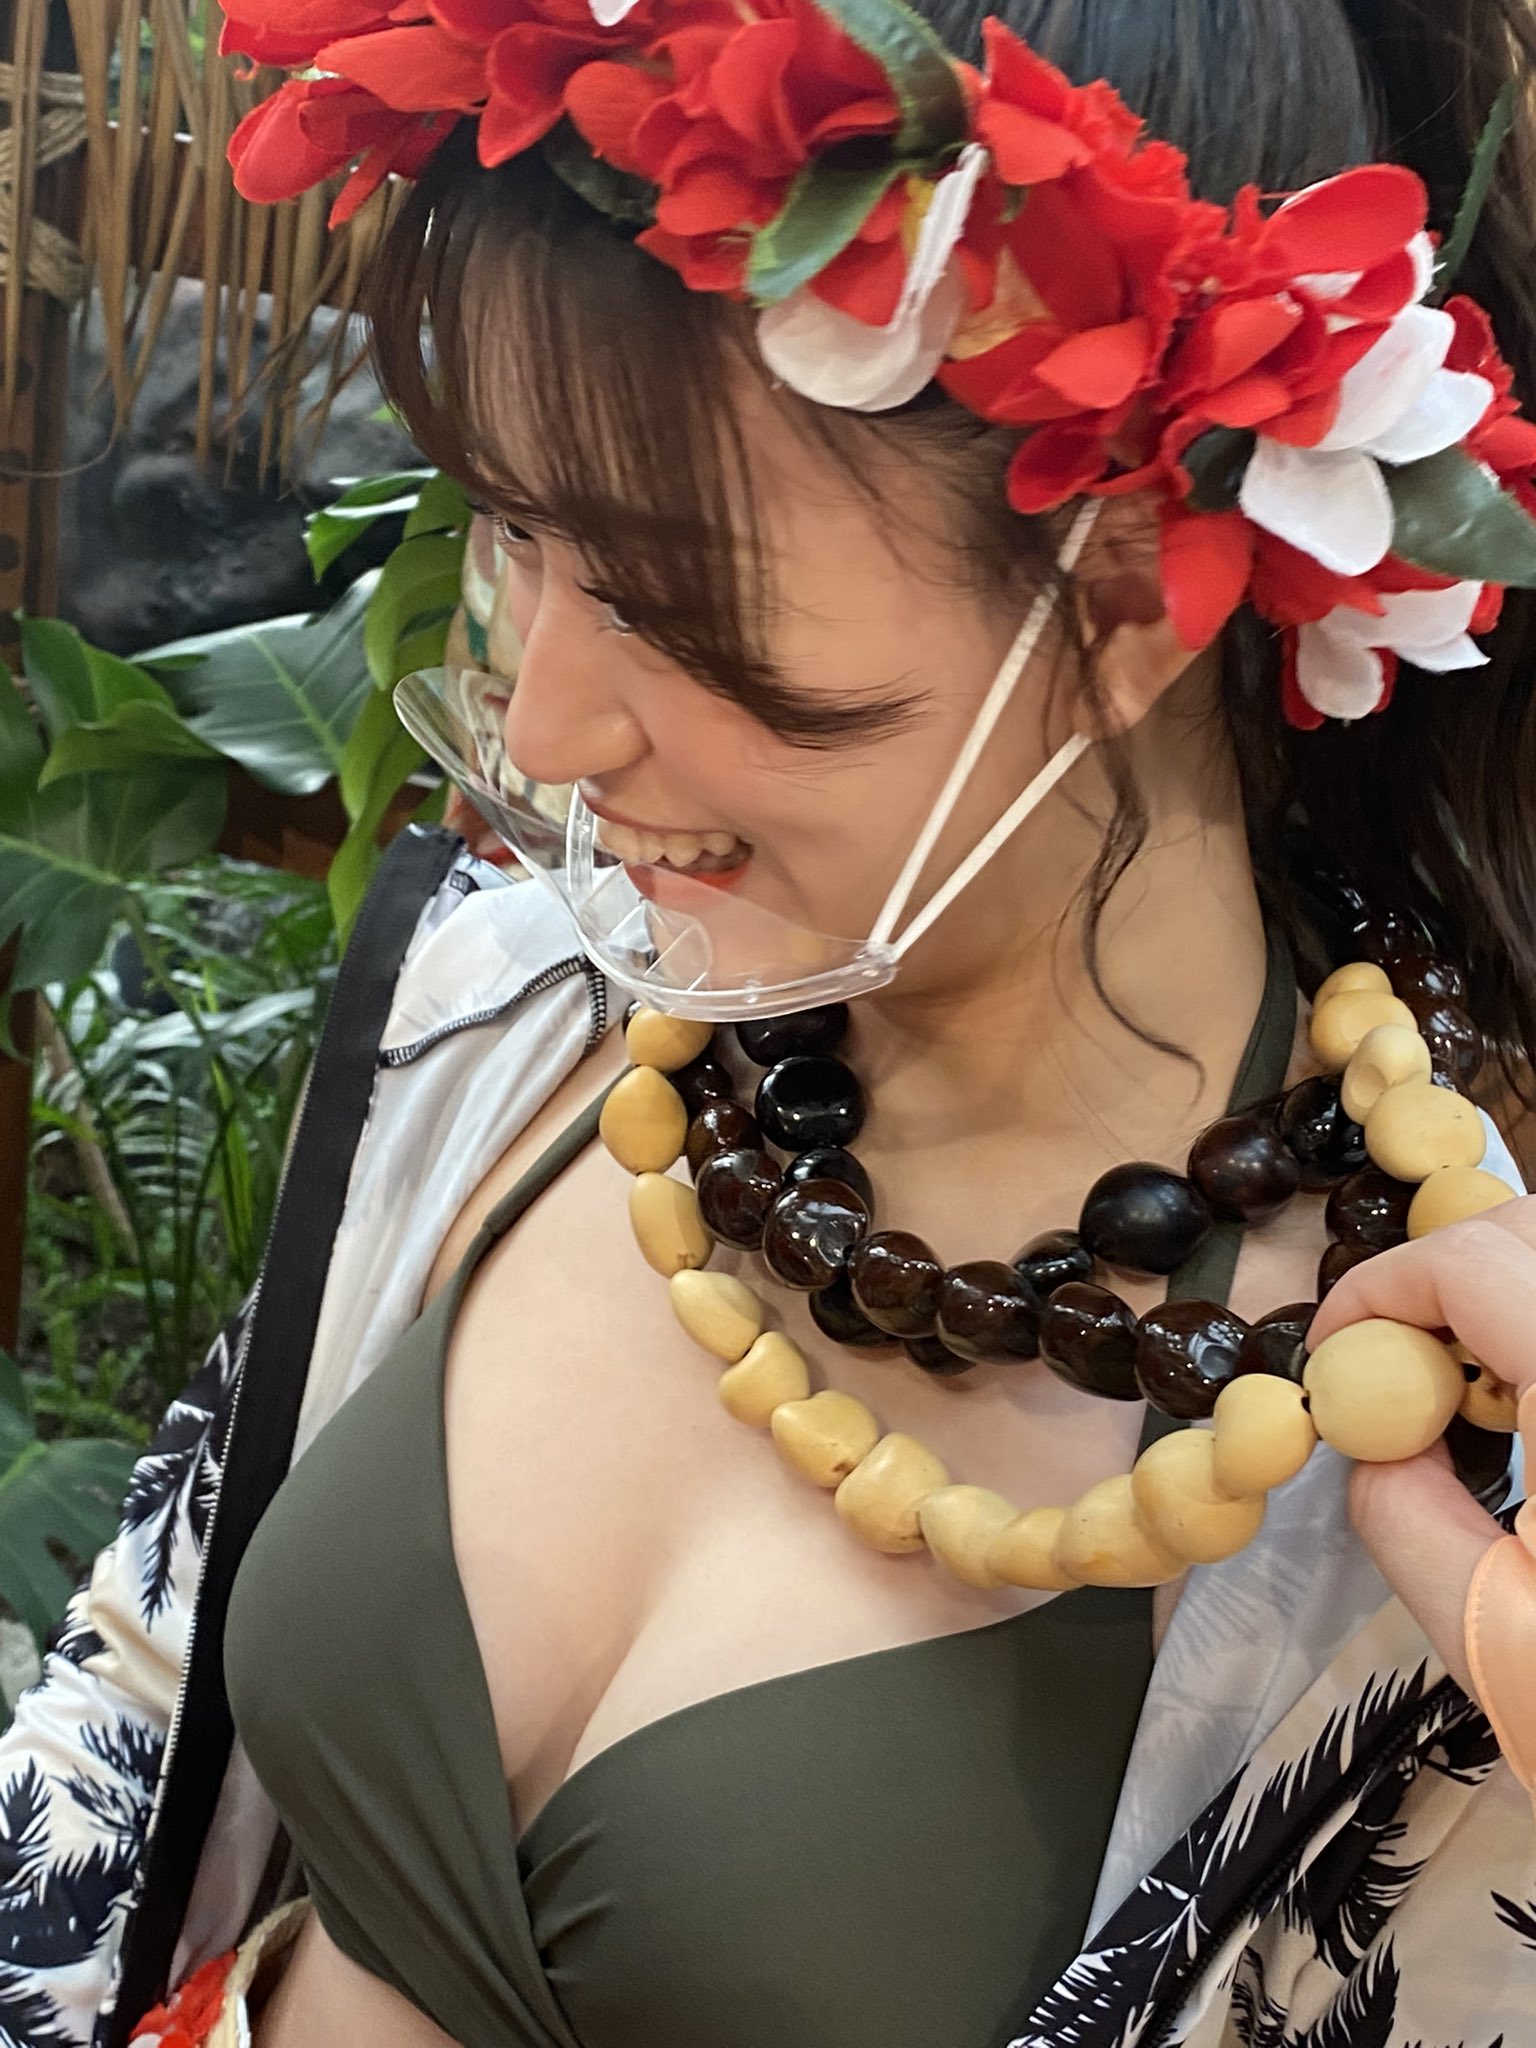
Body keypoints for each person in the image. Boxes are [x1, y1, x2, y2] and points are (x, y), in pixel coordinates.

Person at [5, 2, 1536, 2045]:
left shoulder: (1435, 1469)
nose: (547, 724)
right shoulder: (508, 1009)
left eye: (666, 600)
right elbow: (130, 1710)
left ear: (1125, 594)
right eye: (515, 530)